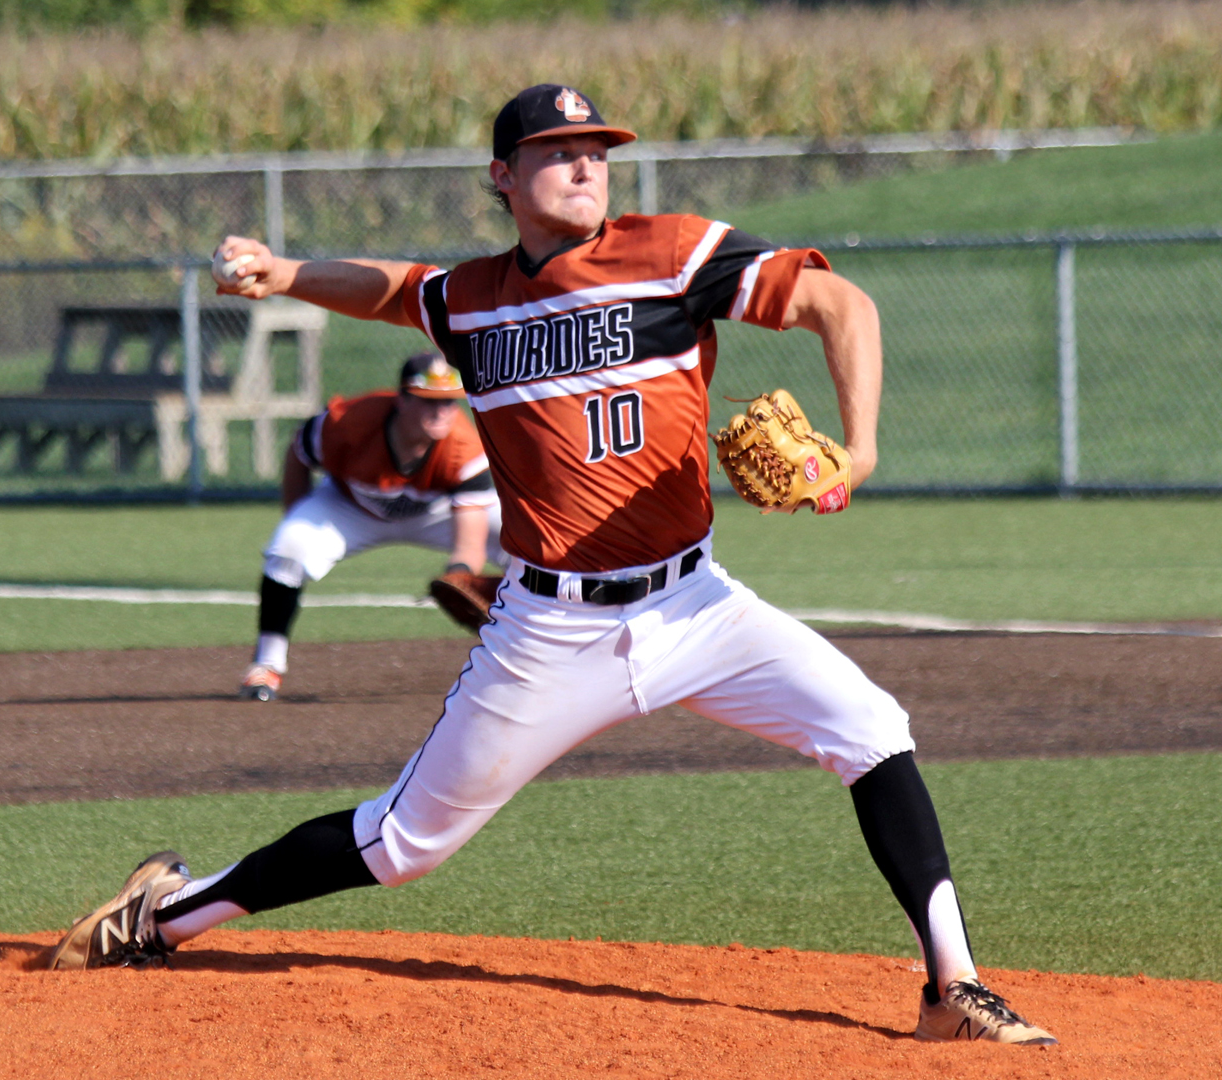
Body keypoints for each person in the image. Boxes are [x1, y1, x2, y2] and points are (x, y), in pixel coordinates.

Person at [52, 84, 1055, 1047]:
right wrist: (285, 272)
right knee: (405, 848)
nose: (586, 165)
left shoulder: (673, 254)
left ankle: (952, 986)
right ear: (503, 174)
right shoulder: (474, 300)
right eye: (559, 151)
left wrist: (861, 448)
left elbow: (843, 305)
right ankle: (164, 913)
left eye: (598, 152)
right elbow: (398, 288)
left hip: (698, 605)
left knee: (871, 727)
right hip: (552, 630)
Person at [240, 351, 505, 701]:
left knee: (524, 540)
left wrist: (459, 577)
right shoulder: (348, 422)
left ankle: (542, 657)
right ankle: (267, 664)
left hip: (435, 512)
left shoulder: (465, 446)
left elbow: (469, 543)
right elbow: (299, 452)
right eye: (429, 401)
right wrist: (296, 513)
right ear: (402, 399)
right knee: (290, 547)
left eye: (449, 401)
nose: (441, 412)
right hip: (351, 507)